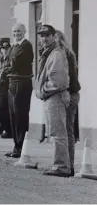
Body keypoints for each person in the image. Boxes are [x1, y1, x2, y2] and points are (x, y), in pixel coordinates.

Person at [34, 25, 71, 177]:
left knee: (58, 133)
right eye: (41, 36)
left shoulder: (56, 54)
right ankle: (61, 165)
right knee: (57, 132)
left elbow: (58, 82)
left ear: (54, 36)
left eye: (47, 35)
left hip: (55, 97)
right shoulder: (50, 53)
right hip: (52, 97)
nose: (43, 39)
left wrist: (41, 90)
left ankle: (61, 167)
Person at [54, 29, 81, 176]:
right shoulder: (70, 53)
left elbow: (64, 78)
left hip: (67, 94)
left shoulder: (61, 55)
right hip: (74, 94)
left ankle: (64, 165)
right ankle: (69, 165)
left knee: (63, 132)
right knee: (68, 131)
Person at [5, 23, 34, 158]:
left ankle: (21, 146)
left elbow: (15, 63)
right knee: (13, 115)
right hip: (12, 82)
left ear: (25, 31)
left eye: (19, 31)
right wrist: (9, 65)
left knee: (20, 115)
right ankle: (16, 145)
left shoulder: (26, 46)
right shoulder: (14, 47)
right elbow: (7, 64)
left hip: (21, 83)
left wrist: (10, 65)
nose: (16, 34)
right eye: (14, 31)